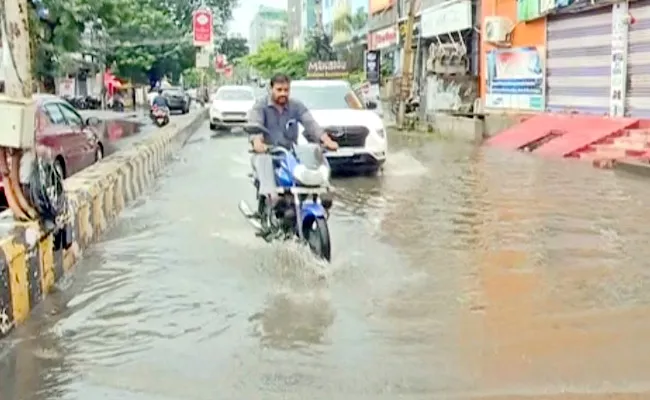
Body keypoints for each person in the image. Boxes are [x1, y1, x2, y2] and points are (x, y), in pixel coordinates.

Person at [247, 73, 338, 221]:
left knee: (315, 153)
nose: (283, 93)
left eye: (286, 90)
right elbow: (255, 128)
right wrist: (258, 143)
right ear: (271, 89)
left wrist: (326, 140)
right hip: (267, 153)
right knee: (264, 159)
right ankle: (272, 197)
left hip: (289, 154)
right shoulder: (260, 106)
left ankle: (324, 190)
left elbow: (311, 124)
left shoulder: (296, 106)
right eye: (279, 89)